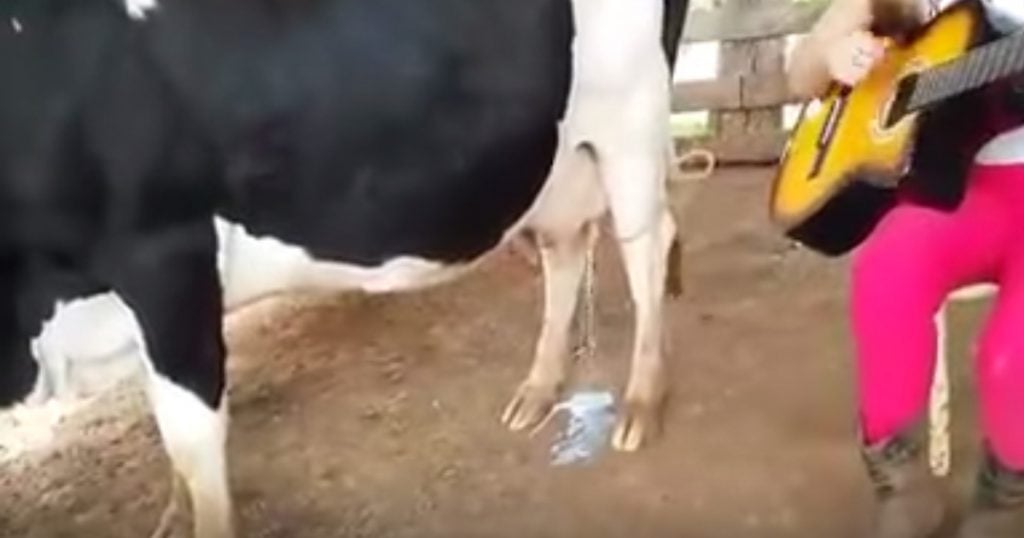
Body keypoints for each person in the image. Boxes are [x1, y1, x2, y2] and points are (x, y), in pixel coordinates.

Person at [787, 0, 1024, 536]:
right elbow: (801, 74)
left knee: (1013, 358)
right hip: (958, 192)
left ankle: (1006, 494)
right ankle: (901, 482)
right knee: (886, 275)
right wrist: (831, 56)